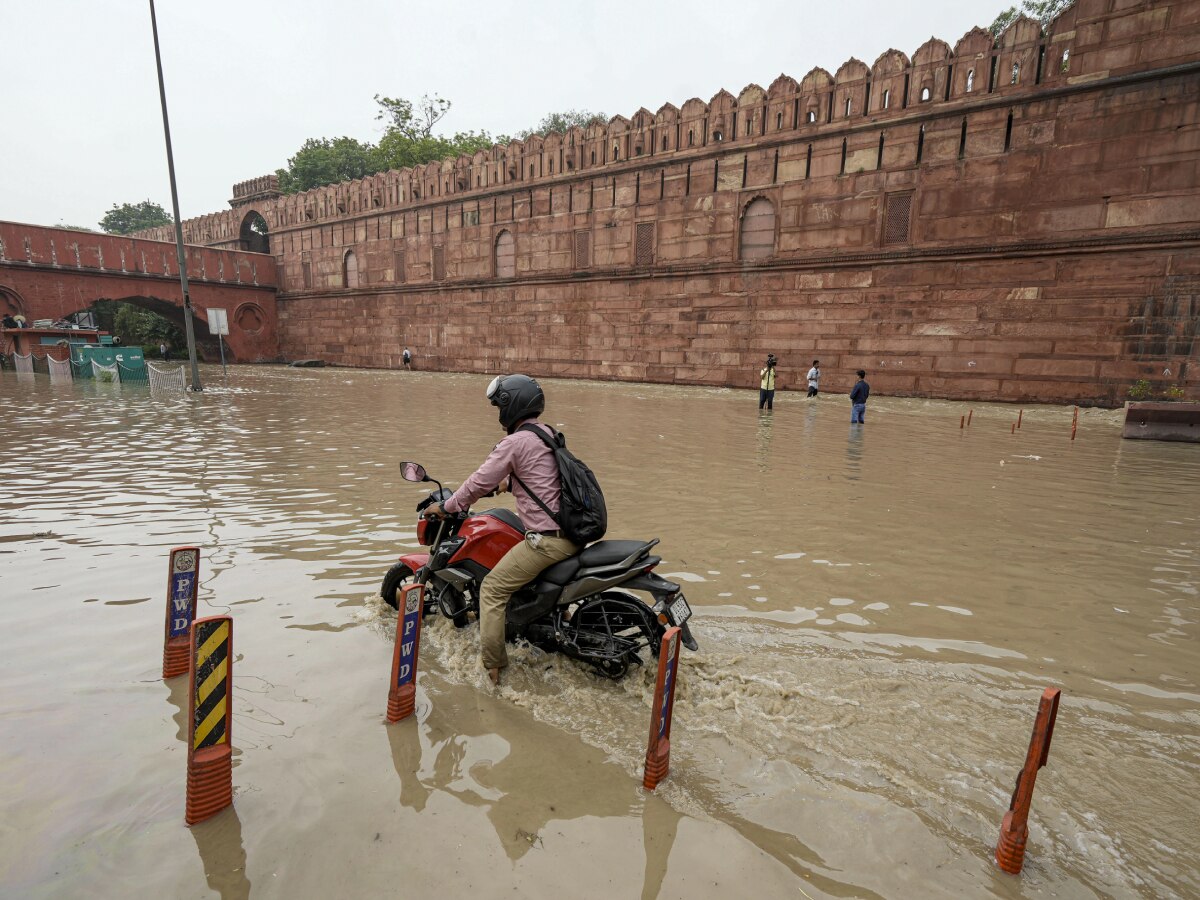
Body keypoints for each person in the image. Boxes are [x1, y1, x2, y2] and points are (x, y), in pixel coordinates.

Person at [425, 374, 578, 686]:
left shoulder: (514, 442)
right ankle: (554, 617)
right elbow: (540, 477)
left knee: (493, 590)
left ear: (512, 406)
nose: (498, 415)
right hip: (572, 535)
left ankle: (493, 668)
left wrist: (447, 506)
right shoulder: (546, 434)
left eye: (499, 408)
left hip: (548, 542)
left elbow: (477, 482)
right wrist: (505, 485)